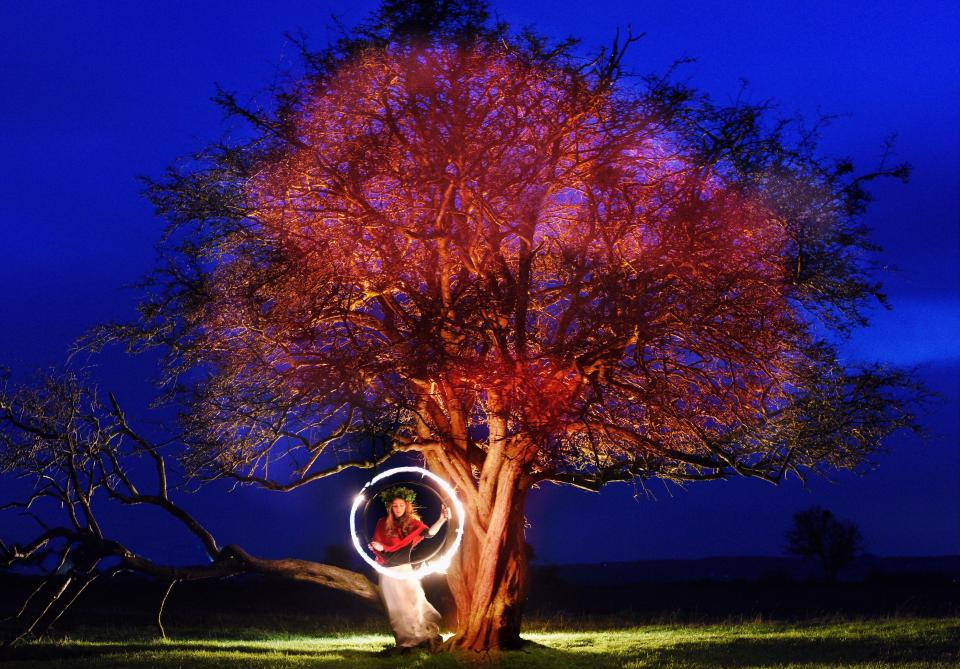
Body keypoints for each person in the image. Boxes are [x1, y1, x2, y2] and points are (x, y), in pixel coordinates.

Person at [367, 486, 450, 651]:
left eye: (401, 505)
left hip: (404, 569)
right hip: (387, 571)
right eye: (395, 506)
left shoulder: (412, 524)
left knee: (414, 601)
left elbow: (429, 533)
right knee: (396, 609)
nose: (398, 509)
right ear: (391, 507)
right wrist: (375, 546)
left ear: (407, 506)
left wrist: (442, 519)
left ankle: (425, 636)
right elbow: (376, 543)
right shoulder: (382, 523)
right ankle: (406, 642)